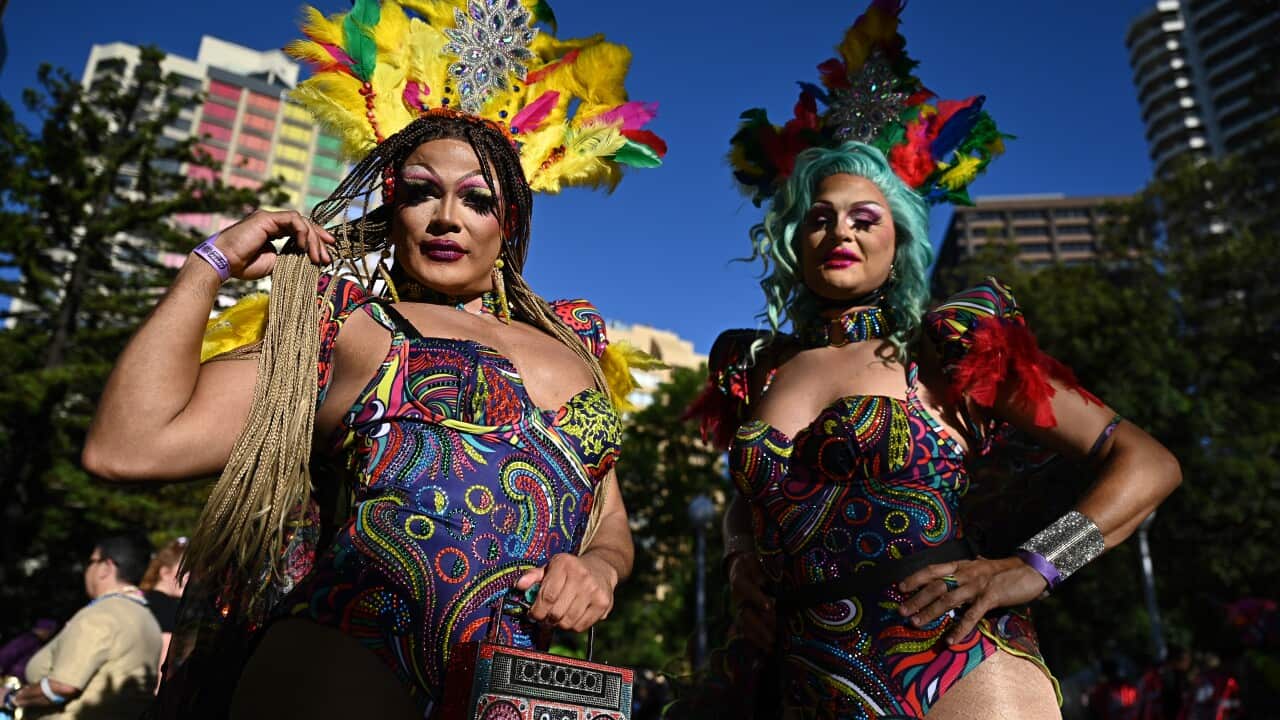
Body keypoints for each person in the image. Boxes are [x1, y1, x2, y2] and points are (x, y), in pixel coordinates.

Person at [81, 1, 665, 718]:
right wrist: (212, 262)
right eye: (420, 193)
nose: (445, 217)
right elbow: (128, 445)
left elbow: (608, 519)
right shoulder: (351, 325)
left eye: (476, 199)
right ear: (395, 211)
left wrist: (598, 569)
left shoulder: (578, 342)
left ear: (508, 222)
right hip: (349, 668)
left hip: (524, 686)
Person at [685, 2, 1182, 718]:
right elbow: (749, 500)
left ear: (899, 244)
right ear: (795, 240)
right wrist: (739, 562)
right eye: (819, 217)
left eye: (865, 218)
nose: (840, 232)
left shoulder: (948, 350)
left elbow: (1148, 462)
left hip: (953, 665)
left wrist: (1035, 566)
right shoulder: (758, 368)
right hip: (799, 675)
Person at [2, 536, 161, 719]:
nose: (87, 570)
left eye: (91, 561)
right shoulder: (148, 619)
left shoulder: (100, 616)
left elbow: (62, 686)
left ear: (105, 568)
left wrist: (12, 698)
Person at [137, 538, 187, 686]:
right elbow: (163, 661)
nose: (191, 577)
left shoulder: (139, 598)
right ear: (165, 572)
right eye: (185, 570)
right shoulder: (167, 607)